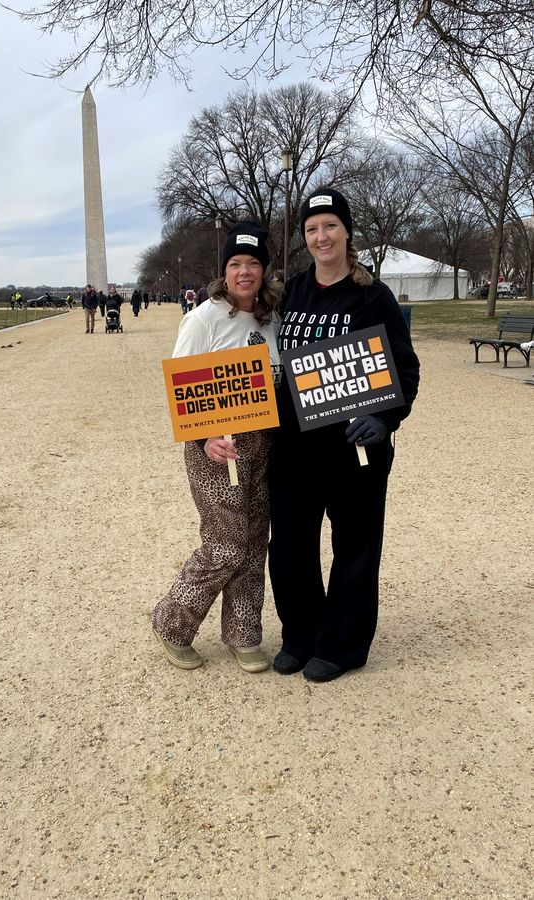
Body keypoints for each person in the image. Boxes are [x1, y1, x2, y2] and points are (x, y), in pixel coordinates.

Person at [268, 187, 420, 683]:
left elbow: (405, 367)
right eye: (312, 229)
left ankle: (343, 644)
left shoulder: (373, 295)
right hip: (294, 447)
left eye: (329, 226)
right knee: (290, 546)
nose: (320, 236)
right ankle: (302, 635)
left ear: (347, 231)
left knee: (354, 547)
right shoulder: (291, 292)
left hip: (354, 448)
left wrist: (386, 419)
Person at [152, 221, 283, 674]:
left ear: (264, 270)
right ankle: (172, 622)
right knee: (225, 543)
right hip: (216, 447)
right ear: (224, 272)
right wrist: (202, 435)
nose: (244, 271)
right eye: (235, 264)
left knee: (252, 545)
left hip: (263, 445)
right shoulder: (204, 317)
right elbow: (180, 383)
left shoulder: (272, 317)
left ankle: (243, 632)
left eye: (252, 263)